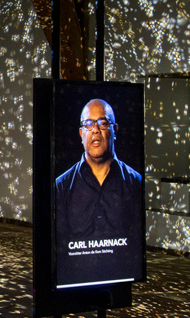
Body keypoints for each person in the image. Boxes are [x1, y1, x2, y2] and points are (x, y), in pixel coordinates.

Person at [53, 99, 144, 285]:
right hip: (75, 281)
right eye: (88, 124)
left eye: (103, 123)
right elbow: (59, 246)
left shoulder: (135, 182)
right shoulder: (62, 186)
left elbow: (136, 243)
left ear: (114, 130)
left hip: (121, 278)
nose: (95, 130)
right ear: (81, 133)